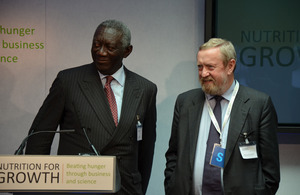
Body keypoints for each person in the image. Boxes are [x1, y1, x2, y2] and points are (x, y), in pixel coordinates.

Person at [25, 19, 157, 195]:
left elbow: (146, 149)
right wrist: (34, 190)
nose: (100, 52)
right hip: (78, 186)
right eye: (96, 45)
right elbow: (39, 137)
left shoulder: (145, 89)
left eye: (109, 47)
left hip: (125, 188)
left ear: (127, 51)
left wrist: (139, 189)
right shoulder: (69, 81)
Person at [164, 38, 280, 195]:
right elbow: (173, 154)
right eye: (200, 67)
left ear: (230, 66)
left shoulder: (258, 104)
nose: (204, 73)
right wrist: (172, 187)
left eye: (210, 67)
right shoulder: (185, 102)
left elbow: (270, 170)